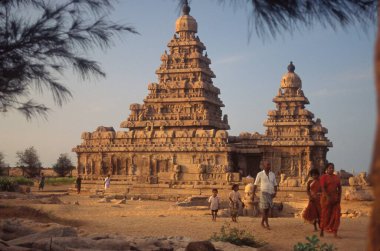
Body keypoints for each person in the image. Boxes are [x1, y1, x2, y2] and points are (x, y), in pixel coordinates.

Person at [253, 161, 278, 230]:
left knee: (267, 210)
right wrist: (253, 194)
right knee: (264, 209)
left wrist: (275, 192)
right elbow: (255, 184)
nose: (269, 166)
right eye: (267, 165)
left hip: (271, 194)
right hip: (263, 193)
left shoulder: (272, 174)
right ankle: (267, 224)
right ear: (264, 166)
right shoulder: (260, 174)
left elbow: (275, 184)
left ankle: (262, 222)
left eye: (269, 165)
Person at [320, 163, 342, 238]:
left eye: (333, 168)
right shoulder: (323, 177)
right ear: (326, 169)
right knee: (325, 215)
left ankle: (335, 233)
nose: (331, 169)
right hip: (326, 199)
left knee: (336, 216)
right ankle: (322, 230)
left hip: (335, 199)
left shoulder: (336, 177)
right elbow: (323, 188)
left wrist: (339, 197)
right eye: (330, 168)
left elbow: (339, 188)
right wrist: (327, 197)